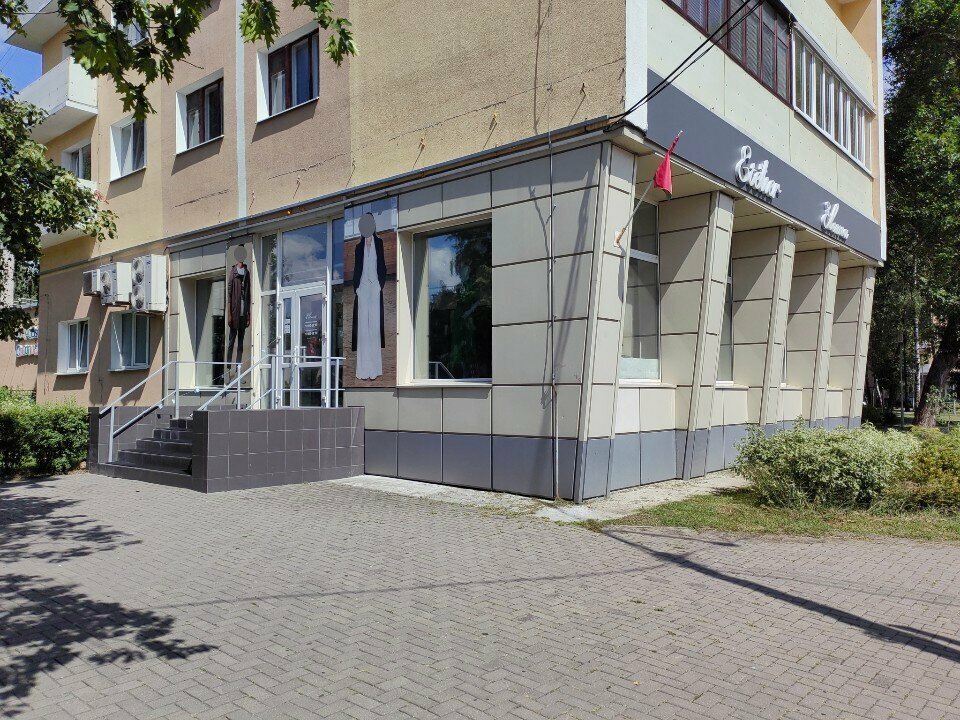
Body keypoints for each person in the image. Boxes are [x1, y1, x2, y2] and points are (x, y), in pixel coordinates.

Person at [352, 213, 386, 380]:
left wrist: (380, 285)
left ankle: (374, 370)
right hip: (363, 287)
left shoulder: (379, 243)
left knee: (374, 326)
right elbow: (357, 268)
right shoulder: (358, 247)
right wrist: (357, 288)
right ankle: (363, 370)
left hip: (375, 287)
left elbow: (382, 266)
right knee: (363, 330)